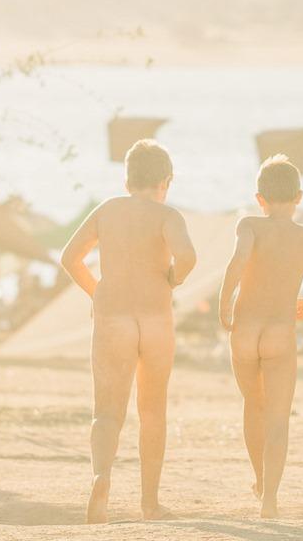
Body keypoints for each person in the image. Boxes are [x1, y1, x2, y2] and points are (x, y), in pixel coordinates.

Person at [59, 140, 197, 523]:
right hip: (155, 320)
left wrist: (97, 291)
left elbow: (70, 258)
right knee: (152, 411)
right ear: (166, 181)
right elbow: (188, 257)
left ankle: (101, 478)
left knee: (107, 411)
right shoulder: (168, 215)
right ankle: (150, 503)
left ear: (127, 181)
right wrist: (174, 278)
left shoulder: (108, 210)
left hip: (113, 317)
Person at [217, 155, 303, 518]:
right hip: (280, 333)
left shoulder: (249, 225)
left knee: (254, 405)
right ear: (299, 197)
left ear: (260, 198)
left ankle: (258, 478)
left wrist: (224, 305)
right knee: (278, 417)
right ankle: (270, 497)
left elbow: (237, 262)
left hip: (245, 329)